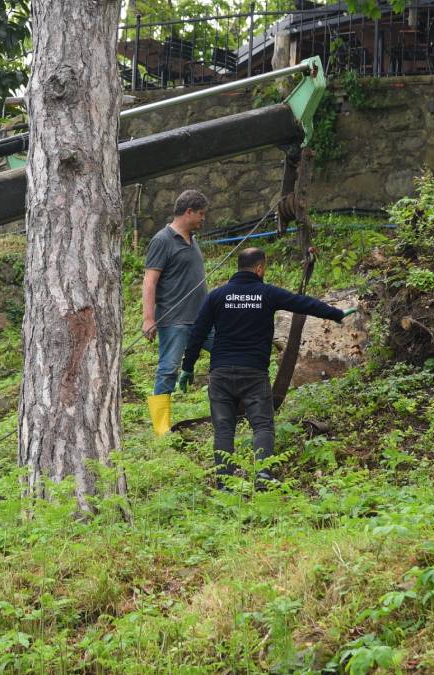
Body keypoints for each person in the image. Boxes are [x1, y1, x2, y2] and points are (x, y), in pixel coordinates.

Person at [179, 247, 355, 488]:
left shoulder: (217, 296)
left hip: (220, 373)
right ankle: (262, 476)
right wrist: (336, 313)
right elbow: (303, 304)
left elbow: (197, 332)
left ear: (238, 267)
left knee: (223, 429)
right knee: (262, 425)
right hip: (253, 373)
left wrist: (187, 367)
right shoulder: (267, 293)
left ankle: (224, 481)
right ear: (260, 268)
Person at [142, 189, 214, 435]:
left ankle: (233, 404)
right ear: (188, 212)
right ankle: (161, 430)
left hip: (203, 318)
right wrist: (149, 318)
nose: (204, 218)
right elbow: (150, 281)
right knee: (168, 368)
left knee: (228, 350)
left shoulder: (192, 240)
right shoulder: (162, 240)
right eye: (201, 213)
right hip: (175, 320)